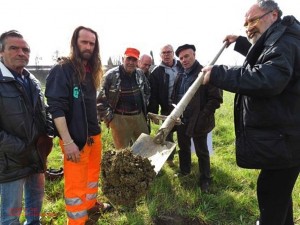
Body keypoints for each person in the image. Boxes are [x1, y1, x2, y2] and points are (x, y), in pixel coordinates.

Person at [202, 0, 300, 224]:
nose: (248, 27)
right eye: (246, 23)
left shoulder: (285, 42)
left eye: (253, 20)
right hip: (285, 138)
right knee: (279, 194)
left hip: (285, 140)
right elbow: (265, 57)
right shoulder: (282, 38)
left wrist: (219, 74)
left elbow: (268, 78)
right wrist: (239, 43)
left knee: (270, 193)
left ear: (273, 15)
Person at [45, 26, 111, 225]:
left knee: (91, 176)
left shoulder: (91, 71)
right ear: (75, 43)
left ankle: (91, 205)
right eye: (84, 42)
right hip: (76, 139)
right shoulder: (63, 70)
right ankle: (76, 221)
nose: (88, 46)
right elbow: (55, 109)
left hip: (94, 135)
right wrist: (67, 141)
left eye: (92, 43)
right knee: (75, 184)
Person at [0, 30, 53, 224]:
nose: (22, 53)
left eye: (25, 49)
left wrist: (48, 133)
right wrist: (22, 148)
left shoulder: (32, 81)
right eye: (14, 48)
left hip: (36, 157)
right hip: (11, 161)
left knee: (34, 209)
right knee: (10, 215)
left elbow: (44, 109)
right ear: (1, 52)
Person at [172, 44, 222, 192]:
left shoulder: (205, 73)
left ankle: (205, 179)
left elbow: (215, 99)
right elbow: (174, 96)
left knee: (202, 151)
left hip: (199, 120)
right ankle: (185, 171)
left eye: (187, 56)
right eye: (181, 58)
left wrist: (202, 116)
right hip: (181, 119)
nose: (184, 60)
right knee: (183, 147)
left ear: (194, 54)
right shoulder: (180, 74)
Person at [97, 47, 150, 149]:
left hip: (139, 116)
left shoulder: (140, 74)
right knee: (122, 153)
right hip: (119, 118)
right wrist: (110, 119)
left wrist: (144, 107)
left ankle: (139, 165)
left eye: (134, 60)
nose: (131, 62)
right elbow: (100, 100)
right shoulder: (111, 75)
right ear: (123, 59)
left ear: (137, 62)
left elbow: (147, 91)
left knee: (144, 148)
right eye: (128, 59)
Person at [148, 44, 182, 167]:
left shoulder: (182, 66)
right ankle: (169, 158)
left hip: (184, 108)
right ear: (160, 55)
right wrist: (154, 113)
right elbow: (154, 95)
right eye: (164, 53)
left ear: (173, 53)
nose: (166, 55)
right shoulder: (156, 72)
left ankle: (185, 159)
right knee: (167, 135)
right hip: (167, 108)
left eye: (169, 52)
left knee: (184, 134)